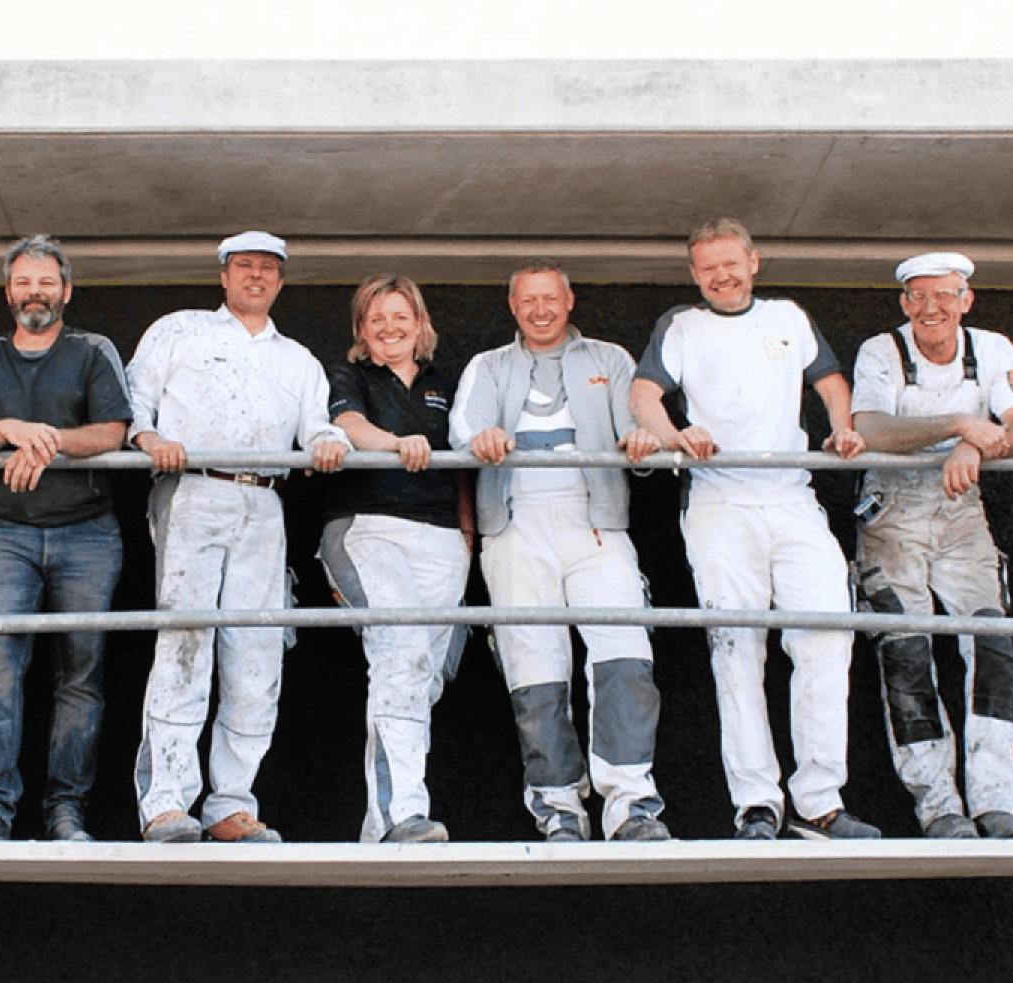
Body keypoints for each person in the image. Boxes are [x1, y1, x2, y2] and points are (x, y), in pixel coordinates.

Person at [629, 217, 880, 841]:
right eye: (708, 268)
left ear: (754, 262)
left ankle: (821, 800)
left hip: (792, 498)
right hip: (719, 503)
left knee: (826, 637)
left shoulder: (789, 318)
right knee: (737, 650)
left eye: (731, 263)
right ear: (695, 275)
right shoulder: (681, 327)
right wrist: (676, 436)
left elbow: (830, 381)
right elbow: (642, 397)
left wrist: (843, 428)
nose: (722, 275)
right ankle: (757, 805)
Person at [126, 230, 349, 843]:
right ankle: (166, 803)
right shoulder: (179, 330)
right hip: (194, 488)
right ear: (223, 275)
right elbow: (134, 399)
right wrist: (147, 440)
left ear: (280, 280)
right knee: (184, 646)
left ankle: (230, 803)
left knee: (256, 655)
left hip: (265, 502)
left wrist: (329, 444)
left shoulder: (297, 359)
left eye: (268, 269)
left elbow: (317, 427)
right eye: (244, 266)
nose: (256, 277)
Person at [448, 264, 672, 843]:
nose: (540, 310)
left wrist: (641, 441)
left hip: (596, 522)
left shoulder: (610, 359)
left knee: (625, 656)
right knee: (534, 666)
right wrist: (481, 439)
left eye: (550, 298)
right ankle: (557, 805)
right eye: (529, 301)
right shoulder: (489, 366)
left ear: (570, 300)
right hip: (515, 526)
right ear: (512, 306)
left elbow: (637, 428)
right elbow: (462, 429)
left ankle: (631, 804)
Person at [850, 252, 1013, 840]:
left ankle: (994, 801)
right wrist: (960, 425)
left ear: (966, 299)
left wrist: (977, 449)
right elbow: (872, 429)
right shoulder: (881, 349)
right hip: (892, 514)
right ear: (904, 303)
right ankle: (938, 808)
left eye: (944, 295)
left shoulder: (992, 348)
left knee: (994, 646)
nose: (931, 308)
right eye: (918, 297)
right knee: (906, 656)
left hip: (962, 513)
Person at [0, 236, 130, 844]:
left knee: (81, 672)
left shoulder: (92, 350)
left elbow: (112, 431)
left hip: (89, 534)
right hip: (6, 535)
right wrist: (8, 428)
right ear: (8, 293)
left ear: (66, 291)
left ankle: (66, 810)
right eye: (24, 283)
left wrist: (43, 442)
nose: (35, 293)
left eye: (47, 283)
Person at [319, 276, 472, 844]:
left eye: (400, 316)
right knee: (402, 653)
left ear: (420, 323)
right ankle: (398, 815)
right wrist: (397, 443)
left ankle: (389, 817)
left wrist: (467, 542)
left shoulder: (444, 383)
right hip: (368, 527)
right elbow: (347, 427)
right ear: (361, 330)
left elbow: (463, 468)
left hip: (442, 537)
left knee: (420, 677)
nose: (389, 328)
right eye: (375, 318)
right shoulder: (349, 375)